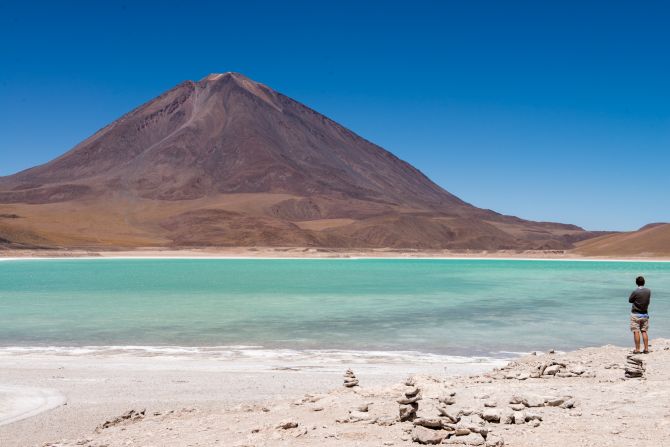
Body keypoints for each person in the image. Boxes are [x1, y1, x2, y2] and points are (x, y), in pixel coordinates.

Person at [629, 276, 651, 354]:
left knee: (636, 331)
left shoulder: (635, 292)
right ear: (644, 282)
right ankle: (646, 349)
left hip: (636, 314)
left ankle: (637, 350)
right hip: (645, 314)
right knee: (644, 331)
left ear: (636, 283)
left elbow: (630, 300)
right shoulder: (648, 291)